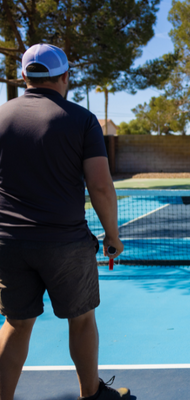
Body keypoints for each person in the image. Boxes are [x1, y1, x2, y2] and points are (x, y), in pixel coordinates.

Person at [0, 44, 128, 399]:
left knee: (16, 323)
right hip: (65, 244)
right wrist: (112, 235)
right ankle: (91, 395)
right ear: (65, 77)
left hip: (8, 244)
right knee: (82, 319)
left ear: (24, 76)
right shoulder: (81, 120)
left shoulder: (0, 116)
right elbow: (100, 186)